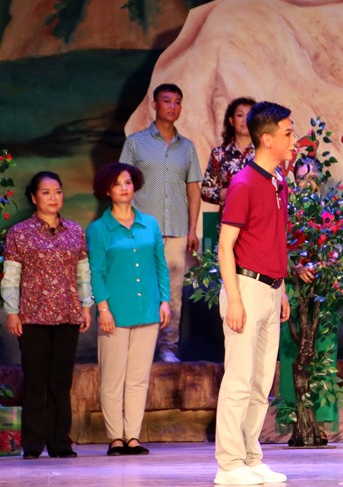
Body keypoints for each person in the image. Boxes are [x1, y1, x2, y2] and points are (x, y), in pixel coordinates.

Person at [213, 102, 293, 485]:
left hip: (271, 289)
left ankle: (250, 456)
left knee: (262, 382)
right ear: (267, 139)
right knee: (239, 379)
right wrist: (235, 299)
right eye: (288, 133)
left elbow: (275, 240)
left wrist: (283, 290)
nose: (293, 140)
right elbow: (224, 246)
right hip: (245, 287)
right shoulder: (244, 183)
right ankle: (229, 465)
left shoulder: (278, 182)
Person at [1, 172, 92, 459]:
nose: (53, 197)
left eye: (58, 192)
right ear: (33, 197)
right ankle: (32, 444)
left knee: (61, 381)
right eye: (46, 192)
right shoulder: (19, 233)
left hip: (67, 315)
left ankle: (60, 443)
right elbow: (11, 277)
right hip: (32, 316)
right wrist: (12, 312)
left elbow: (82, 273)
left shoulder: (74, 231)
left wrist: (86, 306)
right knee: (36, 379)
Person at [87, 162, 171, 457]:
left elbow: (161, 265)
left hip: (147, 309)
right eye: (117, 183)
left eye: (127, 182)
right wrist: (103, 308)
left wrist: (165, 300)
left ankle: (132, 436)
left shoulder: (150, 224)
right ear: (107, 190)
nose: (124, 188)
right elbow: (96, 272)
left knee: (138, 378)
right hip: (115, 313)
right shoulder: (99, 229)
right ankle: (115, 438)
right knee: (113, 379)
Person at [120, 83, 202, 363]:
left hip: (177, 231)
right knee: (140, 288)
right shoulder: (135, 143)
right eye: (167, 101)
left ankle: (168, 347)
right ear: (154, 104)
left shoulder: (187, 148)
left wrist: (192, 229)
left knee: (173, 292)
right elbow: (122, 184)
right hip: (142, 230)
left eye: (177, 102)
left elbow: (193, 189)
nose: (172, 106)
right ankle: (138, 346)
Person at [200, 97, 257, 207]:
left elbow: (276, 187)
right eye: (240, 115)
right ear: (231, 121)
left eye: (250, 115)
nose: (245, 120)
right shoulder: (219, 154)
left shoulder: (265, 153)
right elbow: (205, 191)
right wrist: (228, 192)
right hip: (229, 215)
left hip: (258, 215)